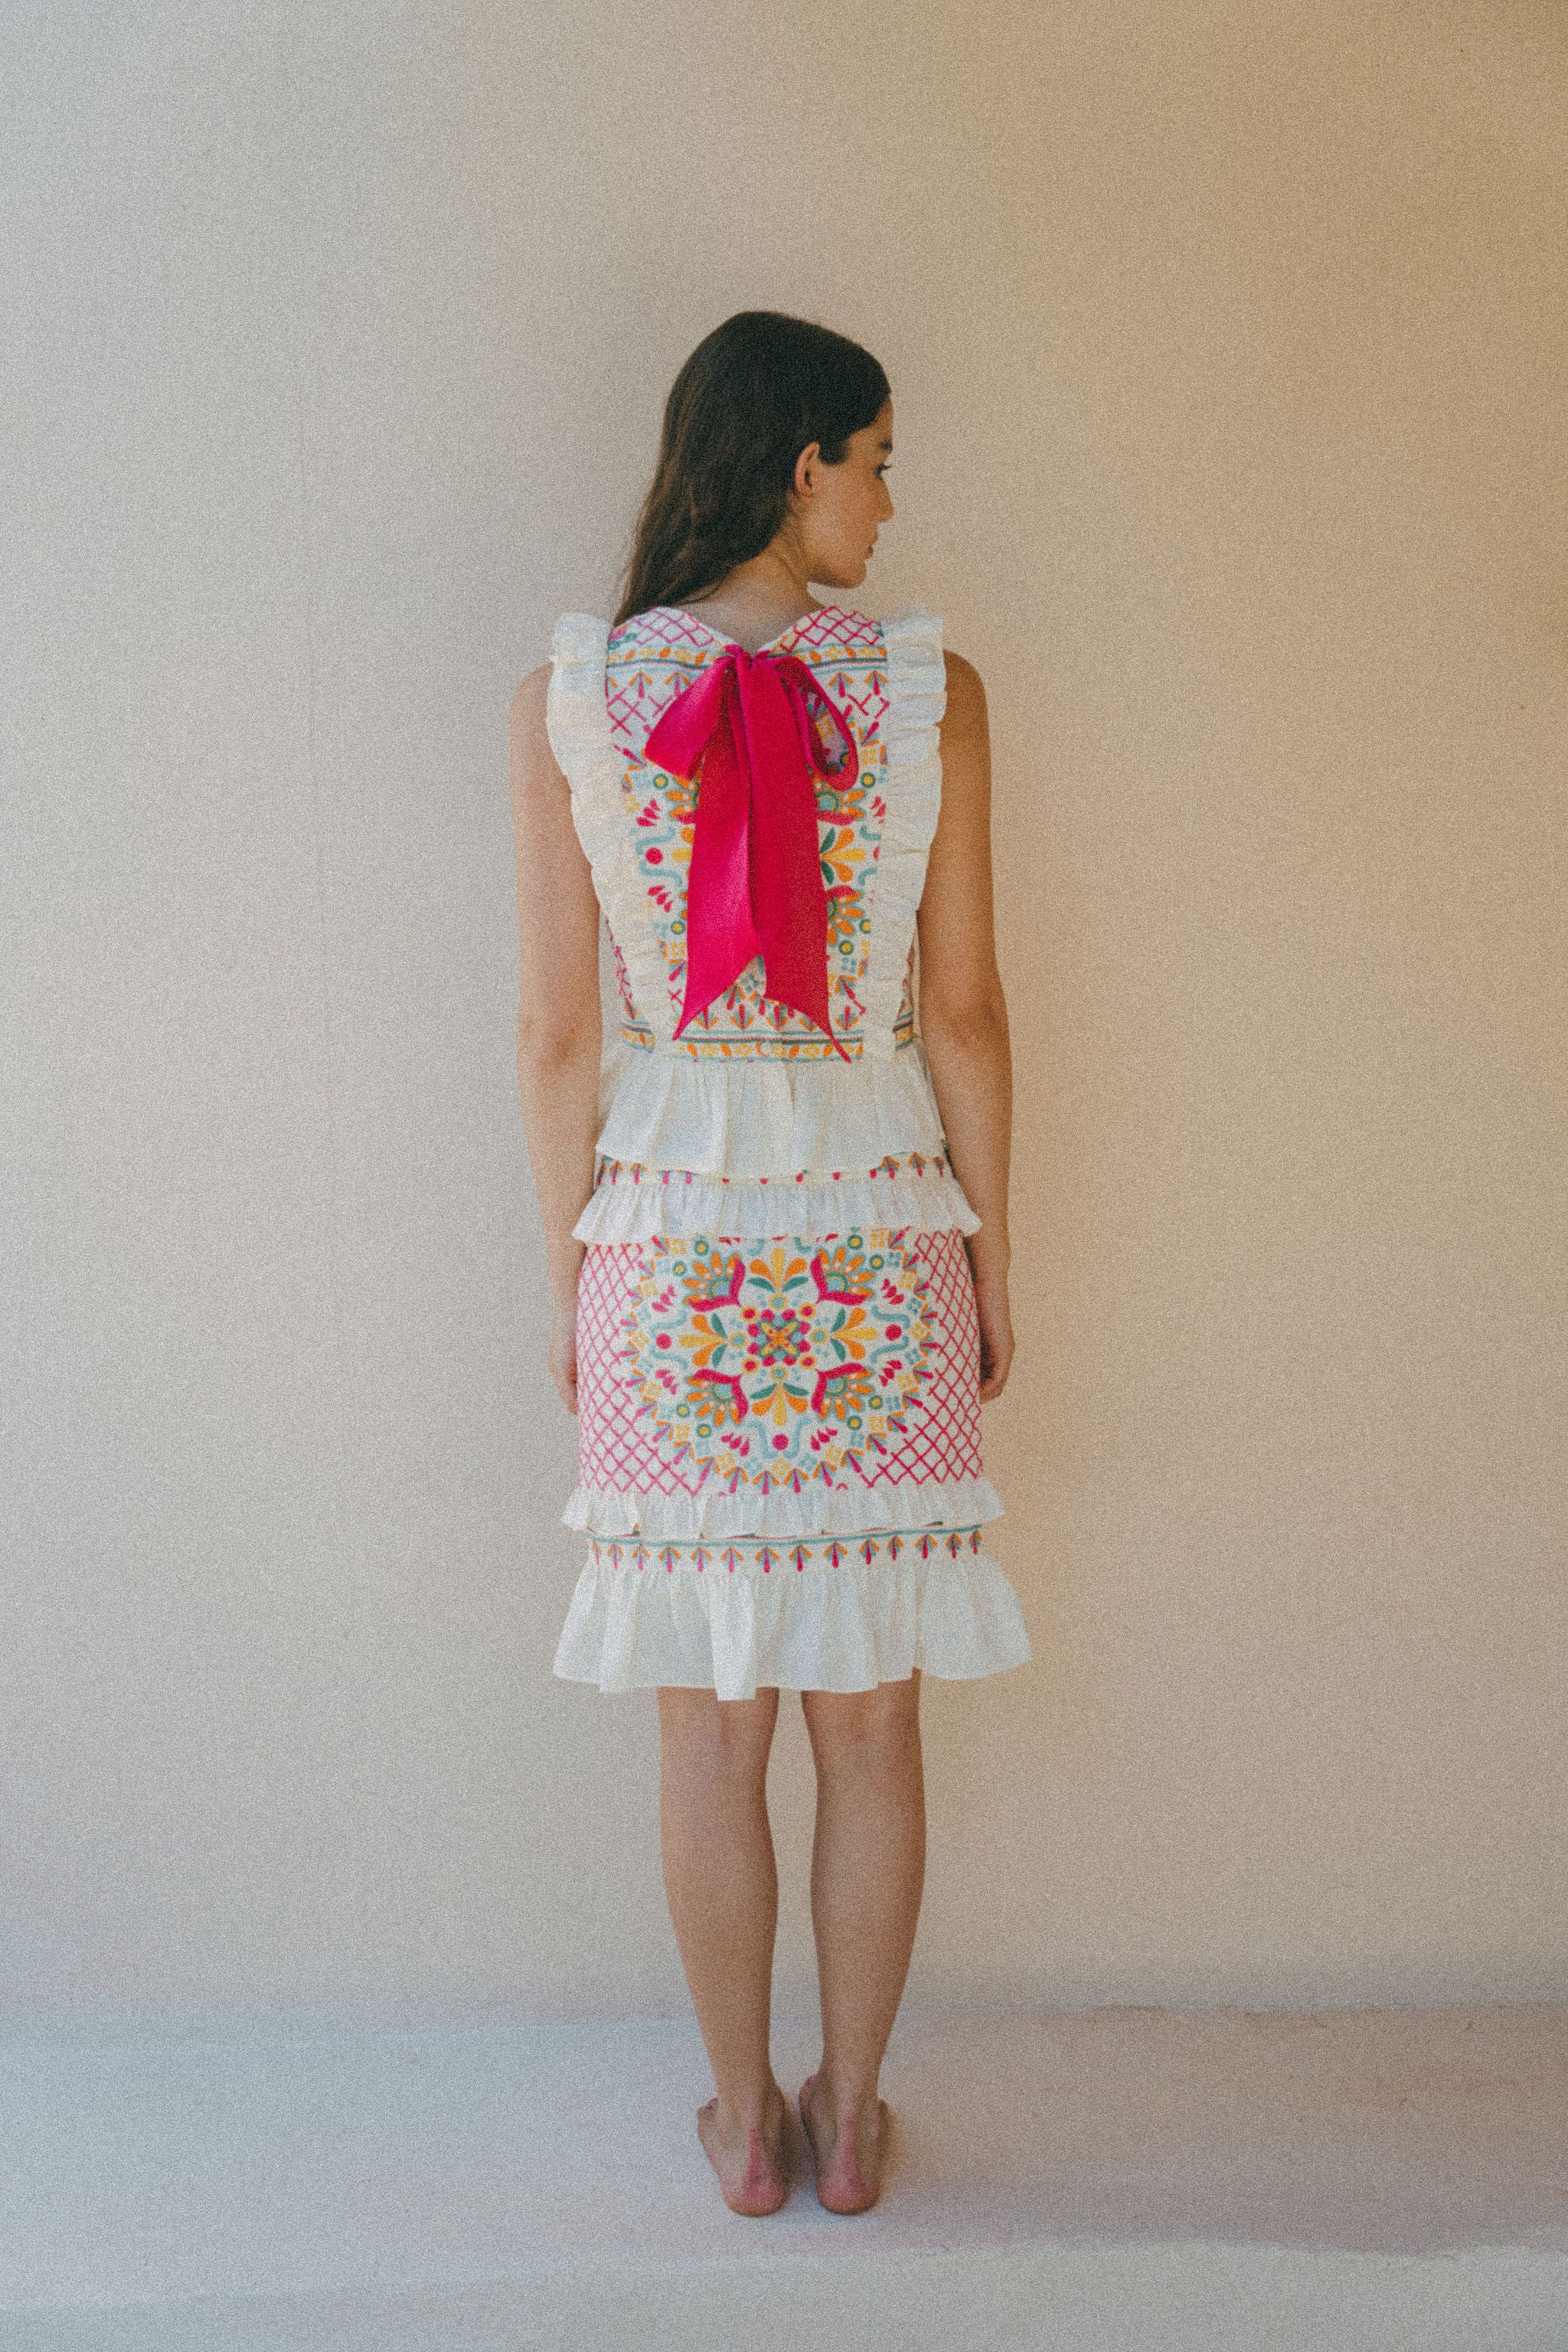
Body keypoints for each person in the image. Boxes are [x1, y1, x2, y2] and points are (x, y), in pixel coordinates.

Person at [508, 310, 1031, 2220]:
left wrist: (564, 1277)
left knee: (706, 1726)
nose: (889, 500)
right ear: (797, 460)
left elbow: (560, 1038)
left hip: (664, 1250)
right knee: (873, 1714)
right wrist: (994, 1255)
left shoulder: (570, 695)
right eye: (877, 458)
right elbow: (961, 1012)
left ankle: (739, 2127)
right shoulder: (933, 693)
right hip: (882, 1235)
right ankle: (853, 2114)